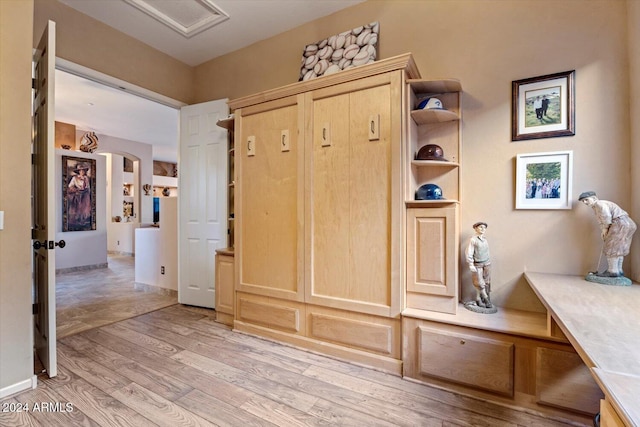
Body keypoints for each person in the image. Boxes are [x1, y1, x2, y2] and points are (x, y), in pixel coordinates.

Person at [579, 191, 637, 277]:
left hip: (620, 224)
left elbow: (606, 217)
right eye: (583, 201)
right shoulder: (599, 205)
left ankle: (612, 271)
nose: (585, 202)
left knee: (611, 247)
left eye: (586, 200)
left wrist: (605, 230)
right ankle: (619, 271)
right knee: (619, 248)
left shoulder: (599, 204)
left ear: (594, 198)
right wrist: (604, 229)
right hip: (628, 223)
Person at [466, 222, 492, 308]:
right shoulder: (473, 240)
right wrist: (470, 264)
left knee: (486, 282)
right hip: (478, 264)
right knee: (479, 283)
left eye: (484, 228)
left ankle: (478, 299)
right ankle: (486, 299)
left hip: (487, 263)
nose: (483, 229)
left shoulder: (485, 239)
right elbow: (469, 252)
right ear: (476, 228)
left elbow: (486, 251)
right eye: (481, 227)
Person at [67, 162, 91, 229]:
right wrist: (75, 190)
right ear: (78, 171)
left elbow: (88, 187)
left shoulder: (86, 178)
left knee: (84, 208)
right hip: (77, 194)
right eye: (81, 170)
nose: (82, 172)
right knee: (77, 208)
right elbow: (70, 186)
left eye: (83, 170)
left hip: (85, 194)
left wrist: (88, 193)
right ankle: (76, 221)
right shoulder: (74, 178)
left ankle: (83, 220)